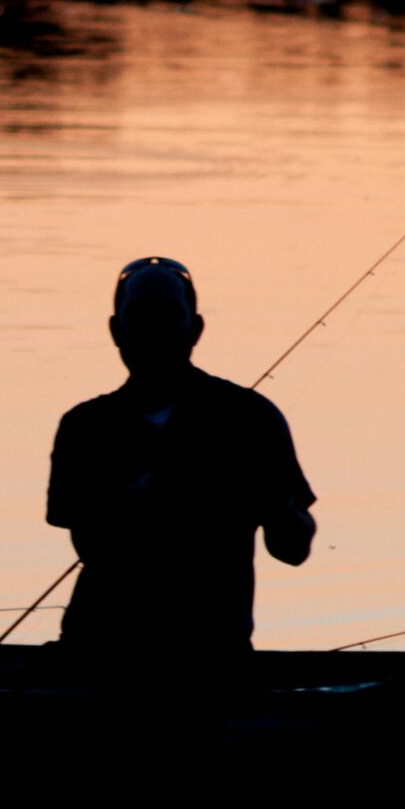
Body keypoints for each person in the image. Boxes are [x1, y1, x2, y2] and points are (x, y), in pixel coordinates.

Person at [46, 257, 315, 662]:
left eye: (167, 313)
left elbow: (293, 550)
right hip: (98, 650)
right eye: (138, 314)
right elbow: (90, 544)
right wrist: (155, 492)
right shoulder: (85, 426)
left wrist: (271, 501)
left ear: (196, 329)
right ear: (115, 330)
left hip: (213, 652)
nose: (153, 327)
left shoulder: (250, 417)